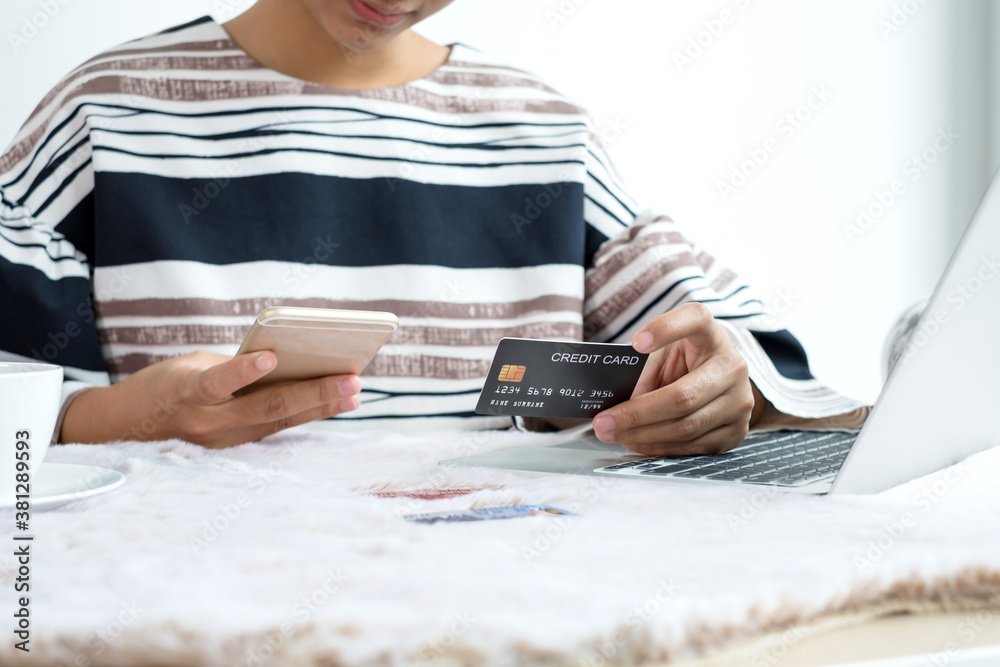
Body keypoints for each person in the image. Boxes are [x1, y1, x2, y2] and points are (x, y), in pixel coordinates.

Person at [0, 0, 868, 450]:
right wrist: (125, 418)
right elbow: (14, 419)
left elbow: (747, 354)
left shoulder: (542, 139)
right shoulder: (102, 121)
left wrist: (729, 388)